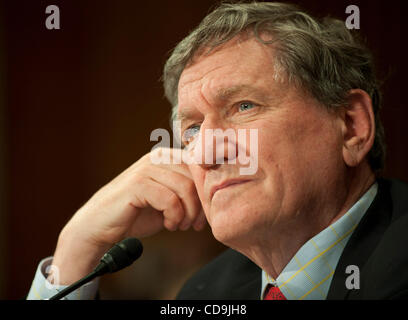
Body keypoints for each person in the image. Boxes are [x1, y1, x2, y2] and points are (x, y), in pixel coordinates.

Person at [27, 1, 408, 300]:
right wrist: (76, 249)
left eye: (244, 106)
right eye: (192, 129)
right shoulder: (206, 291)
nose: (207, 154)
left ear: (351, 126)